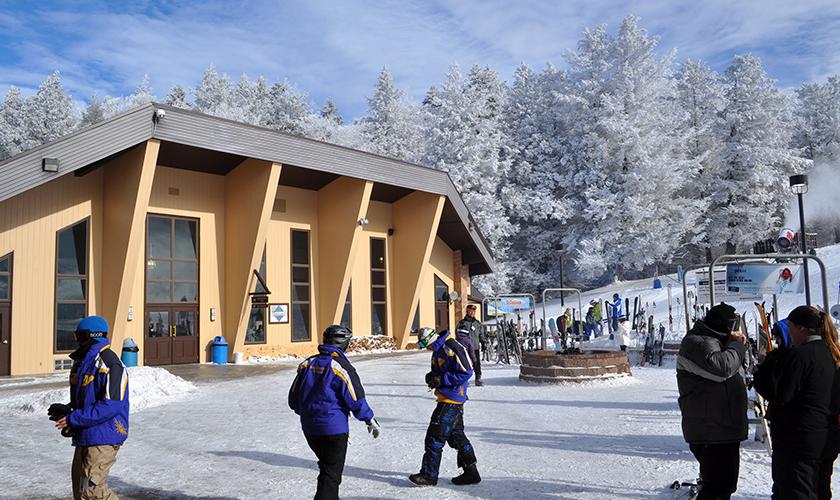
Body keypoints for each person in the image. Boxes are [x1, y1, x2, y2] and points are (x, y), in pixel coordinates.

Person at [754, 306, 840, 500]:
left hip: (798, 439)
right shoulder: (832, 352)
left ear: (801, 328)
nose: (789, 332)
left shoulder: (801, 356)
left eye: (791, 326)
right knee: (819, 491)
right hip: (825, 437)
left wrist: (763, 373)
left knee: (793, 493)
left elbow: (780, 393)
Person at [288, 325, 380, 500]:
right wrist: (369, 419)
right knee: (331, 476)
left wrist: (309, 414)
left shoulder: (307, 364)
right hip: (333, 430)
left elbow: (293, 399)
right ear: (343, 343)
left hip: (309, 429)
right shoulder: (341, 366)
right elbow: (356, 398)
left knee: (326, 469)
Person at [51, 315, 129, 500]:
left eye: (80, 336)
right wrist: (68, 410)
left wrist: (74, 418)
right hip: (87, 434)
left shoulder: (110, 364)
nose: (77, 341)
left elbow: (111, 405)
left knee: (93, 491)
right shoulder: (84, 363)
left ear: (92, 336)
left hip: (104, 436)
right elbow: (87, 400)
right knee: (80, 489)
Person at [676, 303, 748, 500]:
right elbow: (723, 368)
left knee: (723, 486)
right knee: (717, 489)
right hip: (712, 429)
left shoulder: (716, 341)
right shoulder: (698, 343)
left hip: (722, 426)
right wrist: (737, 345)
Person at [410, 327, 479, 487]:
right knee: (456, 437)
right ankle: (471, 472)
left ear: (429, 340)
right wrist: (432, 376)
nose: (425, 348)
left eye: (424, 344)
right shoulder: (439, 348)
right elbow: (443, 369)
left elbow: (467, 371)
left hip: (452, 399)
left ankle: (429, 475)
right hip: (447, 397)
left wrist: (442, 380)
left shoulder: (452, 346)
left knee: (435, 437)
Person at [456, 304, 483, 386]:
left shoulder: (477, 323)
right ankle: (464, 380)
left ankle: (478, 379)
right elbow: (458, 335)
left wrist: (483, 342)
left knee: (477, 364)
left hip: (475, 347)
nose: (472, 312)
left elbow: (481, 334)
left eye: (474, 311)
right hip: (465, 348)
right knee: (464, 364)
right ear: (467, 311)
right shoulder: (462, 323)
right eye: (470, 311)